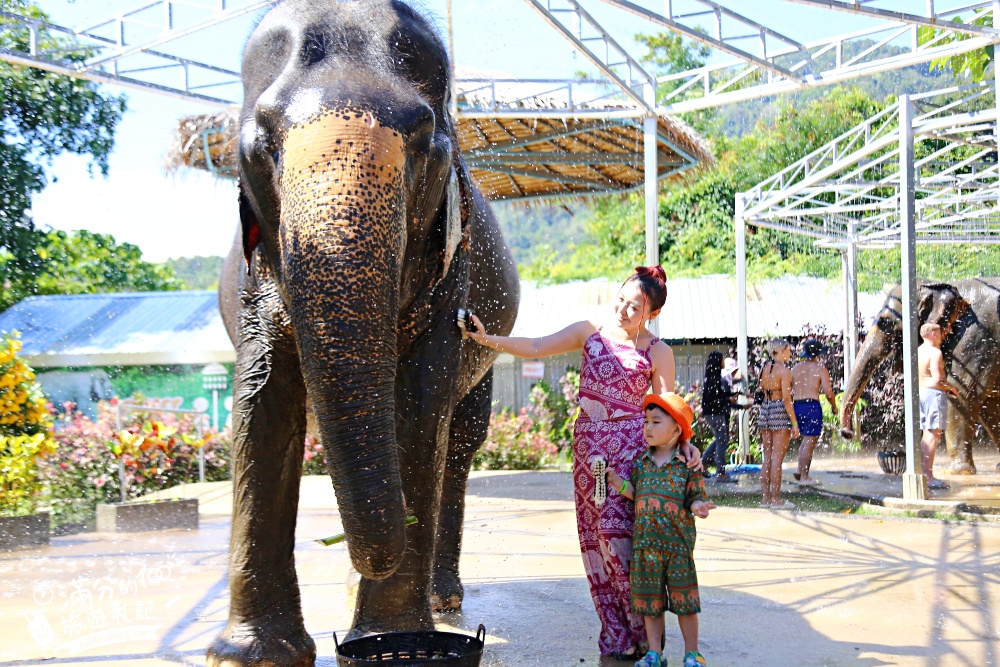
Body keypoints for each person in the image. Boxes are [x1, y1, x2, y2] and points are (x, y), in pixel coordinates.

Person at [464, 265, 702, 660]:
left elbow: (668, 409)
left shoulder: (657, 351)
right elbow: (539, 345)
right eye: (621, 300)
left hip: (628, 454)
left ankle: (645, 632)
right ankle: (620, 635)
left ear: (652, 315)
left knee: (617, 536)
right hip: (589, 452)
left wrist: (686, 444)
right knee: (596, 542)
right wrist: (488, 339)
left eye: (634, 307)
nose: (622, 310)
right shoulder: (591, 329)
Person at [606, 393, 714, 667]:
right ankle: (654, 653)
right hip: (646, 548)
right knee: (650, 604)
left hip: (677, 547)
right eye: (646, 422)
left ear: (677, 429)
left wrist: (699, 506)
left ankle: (693, 652)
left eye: (656, 422)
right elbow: (637, 493)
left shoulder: (687, 464)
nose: (648, 427)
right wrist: (619, 483)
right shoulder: (641, 462)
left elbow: (693, 497)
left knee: (685, 602)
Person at [756, 339, 799, 509]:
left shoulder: (765, 368)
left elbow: (760, 389)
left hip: (766, 410)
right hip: (779, 410)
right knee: (776, 458)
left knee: (767, 457)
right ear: (781, 350)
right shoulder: (785, 371)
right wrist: (794, 423)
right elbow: (787, 399)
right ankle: (776, 499)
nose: (790, 352)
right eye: (788, 349)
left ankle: (765, 499)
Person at [790, 339, 838, 486]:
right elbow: (828, 393)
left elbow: (787, 389)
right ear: (818, 354)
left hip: (797, 405)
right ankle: (804, 477)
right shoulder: (820, 370)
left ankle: (799, 469)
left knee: (805, 440)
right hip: (812, 406)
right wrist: (834, 407)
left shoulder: (795, 369)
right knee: (810, 441)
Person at [918, 323, 959, 490]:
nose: (942, 335)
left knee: (927, 434)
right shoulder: (935, 353)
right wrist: (951, 388)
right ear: (933, 333)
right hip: (933, 394)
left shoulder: (918, 351)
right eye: (940, 332)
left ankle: (922, 473)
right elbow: (937, 379)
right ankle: (928, 476)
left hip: (921, 393)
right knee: (934, 435)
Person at [701, 352, 745, 482]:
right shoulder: (715, 379)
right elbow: (717, 399)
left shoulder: (712, 377)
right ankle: (721, 473)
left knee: (720, 439)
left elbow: (721, 395)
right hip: (715, 414)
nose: (723, 363)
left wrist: (738, 395)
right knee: (722, 441)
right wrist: (730, 401)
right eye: (722, 360)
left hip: (711, 413)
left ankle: (703, 464)